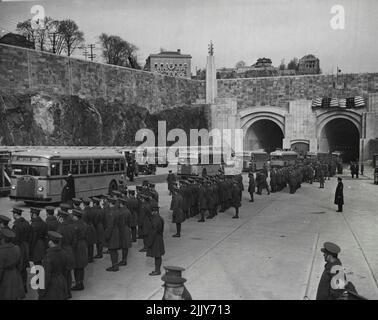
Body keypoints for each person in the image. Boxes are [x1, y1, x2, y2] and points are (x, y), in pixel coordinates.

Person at [38, 231, 69, 300]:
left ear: (50, 242)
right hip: (62, 281)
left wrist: (41, 291)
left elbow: (46, 276)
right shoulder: (64, 252)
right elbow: (66, 270)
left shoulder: (48, 256)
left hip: (52, 286)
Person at [0, 228, 25, 300]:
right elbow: (20, 265)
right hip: (15, 276)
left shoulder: (1, 251)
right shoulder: (17, 248)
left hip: (5, 278)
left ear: (3, 239)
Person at [11, 207, 31, 293]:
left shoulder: (16, 225)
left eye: (13, 213)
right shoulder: (26, 223)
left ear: (15, 214)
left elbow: (15, 239)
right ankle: (24, 286)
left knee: (19, 268)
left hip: (19, 247)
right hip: (26, 246)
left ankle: (20, 288)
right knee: (24, 268)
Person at [71, 209, 88, 291]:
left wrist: (71, 248)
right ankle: (81, 282)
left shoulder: (75, 226)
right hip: (83, 244)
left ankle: (78, 284)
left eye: (73, 215)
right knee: (81, 266)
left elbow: (74, 239)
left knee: (77, 266)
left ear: (76, 217)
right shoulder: (84, 224)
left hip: (77, 246)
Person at [146, 206, 165, 276]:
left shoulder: (155, 220)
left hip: (156, 239)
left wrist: (149, 242)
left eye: (152, 212)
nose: (151, 213)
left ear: (155, 212)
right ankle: (157, 269)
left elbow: (153, 231)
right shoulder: (160, 218)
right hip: (159, 238)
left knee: (157, 255)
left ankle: (157, 270)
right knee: (158, 255)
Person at [104, 197, 120, 272]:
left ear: (110, 203)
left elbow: (110, 226)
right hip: (116, 232)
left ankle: (114, 266)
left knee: (112, 251)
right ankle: (115, 265)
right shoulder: (117, 211)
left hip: (112, 233)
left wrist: (107, 236)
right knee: (115, 251)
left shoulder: (111, 213)